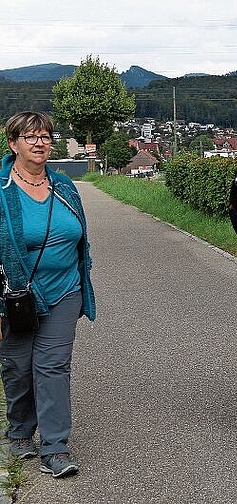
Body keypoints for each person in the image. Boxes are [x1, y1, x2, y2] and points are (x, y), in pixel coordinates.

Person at [0, 111, 96, 477]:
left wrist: (81, 277)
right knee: (18, 368)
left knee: (52, 366)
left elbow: (79, 239)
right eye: (30, 137)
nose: (39, 142)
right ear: (13, 143)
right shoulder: (2, 189)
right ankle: (21, 431)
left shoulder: (63, 186)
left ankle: (55, 447)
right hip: (15, 297)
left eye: (44, 136)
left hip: (64, 292)